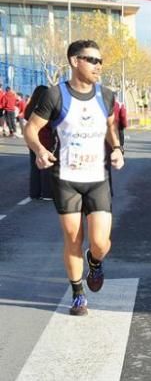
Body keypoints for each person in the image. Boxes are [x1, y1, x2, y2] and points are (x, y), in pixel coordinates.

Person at [23, 40, 124, 316]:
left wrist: (116, 149)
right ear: (74, 61)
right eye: (91, 60)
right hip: (66, 177)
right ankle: (78, 293)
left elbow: (109, 126)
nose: (98, 65)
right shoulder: (55, 95)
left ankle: (95, 261)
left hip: (97, 177)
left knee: (101, 242)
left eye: (100, 61)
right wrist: (40, 150)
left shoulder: (106, 95)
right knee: (73, 237)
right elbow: (30, 130)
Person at [24, 85, 54, 201]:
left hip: (32, 140)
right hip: (45, 140)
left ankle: (34, 192)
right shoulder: (45, 108)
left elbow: (26, 118)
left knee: (35, 167)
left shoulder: (30, 107)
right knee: (46, 165)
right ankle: (47, 193)